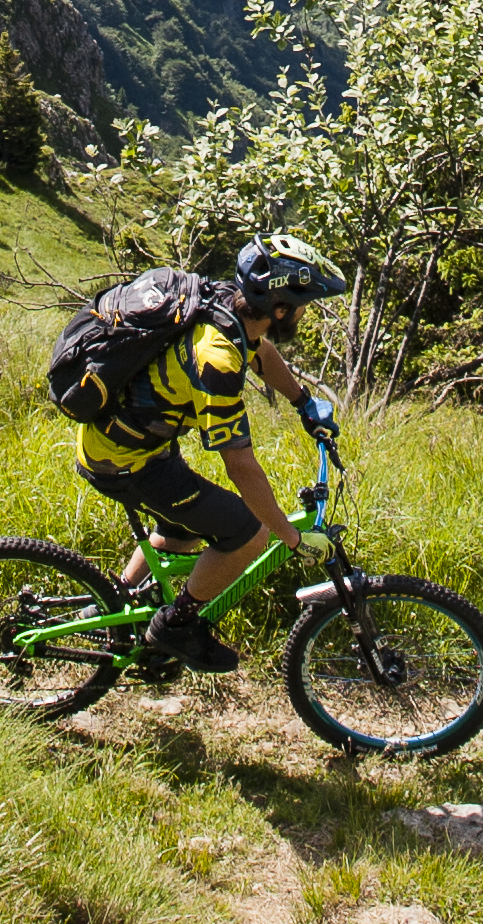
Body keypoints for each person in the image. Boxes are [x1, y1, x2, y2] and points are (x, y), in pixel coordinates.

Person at [73, 234, 349, 673]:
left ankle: (112, 608)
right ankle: (176, 626)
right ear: (279, 308)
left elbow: (260, 354)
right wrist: (291, 538)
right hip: (125, 460)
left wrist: (303, 402)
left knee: (184, 533)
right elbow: (240, 465)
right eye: (303, 304)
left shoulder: (229, 306)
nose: (304, 313)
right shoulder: (216, 360)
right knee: (248, 533)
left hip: (137, 444)